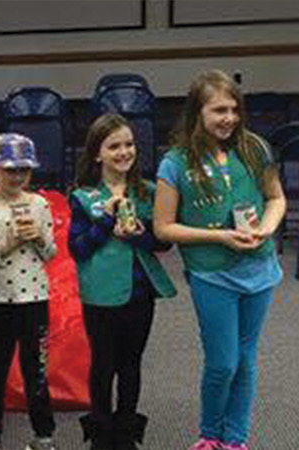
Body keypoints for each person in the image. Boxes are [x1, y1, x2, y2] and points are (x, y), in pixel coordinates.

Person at [152, 70, 286, 450]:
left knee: (245, 360)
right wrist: (219, 236)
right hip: (211, 273)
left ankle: (235, 439)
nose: (229, 118)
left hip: (259, 269)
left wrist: (266, 229)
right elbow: (163, 228)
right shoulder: (175, 163)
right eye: (218, 110)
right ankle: (210, 434)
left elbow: (276, 198)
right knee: (223, 362)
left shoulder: (254, 148)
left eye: (234, 109)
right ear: (198, 113)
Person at [68, 114, 177, 450]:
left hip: (140, 292)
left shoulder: (147, 192)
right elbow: (78, 249)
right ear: (97, 154)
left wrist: (139, 236)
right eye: (113, 146)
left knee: (131, 364)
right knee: (103, 365)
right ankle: (101, 433)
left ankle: (126, 431)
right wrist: (104, 221)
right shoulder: (84, 196)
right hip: (100, 294)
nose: (124, 151)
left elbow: (163, 243)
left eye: (128, 144)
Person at [0, 133, 59, 450]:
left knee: (36, 371)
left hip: (35, 300)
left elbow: (50, 253)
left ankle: (43, 435)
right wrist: (7, 245)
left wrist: (38, 238)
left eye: (24, 170)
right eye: (10, 170)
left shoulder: (39, 204)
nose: (18, 176)